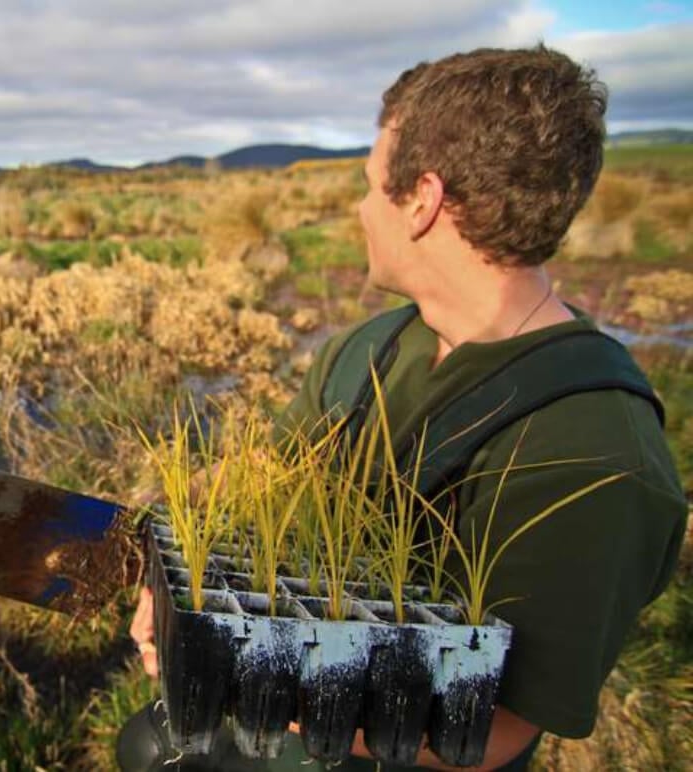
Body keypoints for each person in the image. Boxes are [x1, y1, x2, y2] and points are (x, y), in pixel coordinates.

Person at [117, 45, 688, 772]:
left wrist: (247, 685)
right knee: (143, 746)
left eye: (368, 183)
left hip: (389, 753)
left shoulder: (598, 457)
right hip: (295, 699)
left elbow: (498, 732)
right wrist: (174, 593)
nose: (360, 208)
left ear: (423, 199)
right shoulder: (373, 347)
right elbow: (263, 479)